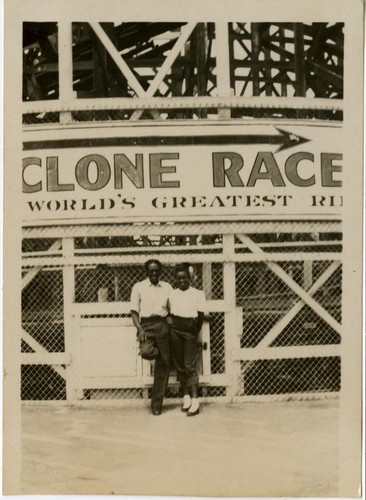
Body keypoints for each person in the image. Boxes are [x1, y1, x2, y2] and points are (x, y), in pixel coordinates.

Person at [130, 259, 173, 415]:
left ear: (160, 271)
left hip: (162, 323)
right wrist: (140, 329)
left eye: (157, 270)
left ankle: (156, 405)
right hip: (146, 325)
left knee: (164, 364)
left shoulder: (167, 287)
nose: (154, 273)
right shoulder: (138, 287)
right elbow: (134, 312)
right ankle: (158, 352)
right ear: (147, 272)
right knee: (147, 352)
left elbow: (172, 308)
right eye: (151, 270)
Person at [169, 264, 206, 416]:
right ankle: (186, 398)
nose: (182, 281)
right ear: (175, 280)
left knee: (190, 366)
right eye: (179, 278)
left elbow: (201, 315)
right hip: (175, 330)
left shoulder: (198, 294)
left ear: (189, 278)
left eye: (184, 278)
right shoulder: (173, 294)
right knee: (180, 365)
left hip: (190, 330)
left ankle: (195, 400)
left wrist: (194, 331)